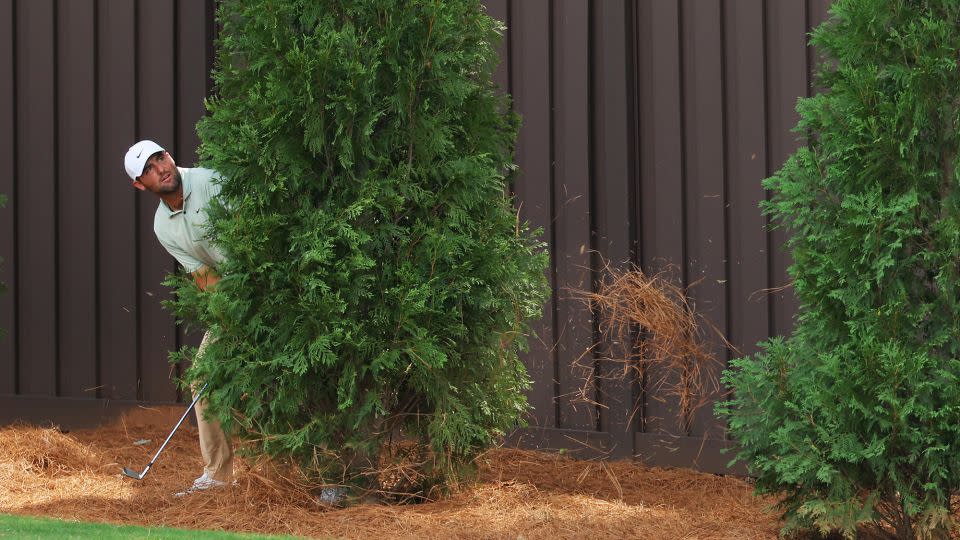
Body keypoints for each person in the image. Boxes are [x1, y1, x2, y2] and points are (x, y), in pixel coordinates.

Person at [123, 140, 233, 495]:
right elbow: (204, 276)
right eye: (150, 169)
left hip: (270, 285)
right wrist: (232, 315)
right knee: (203, 377)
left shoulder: (210, 181)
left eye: (161, 157)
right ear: (140, 185)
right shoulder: (162, 227)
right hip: (234, 302)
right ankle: (218, 476)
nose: (161, 168)